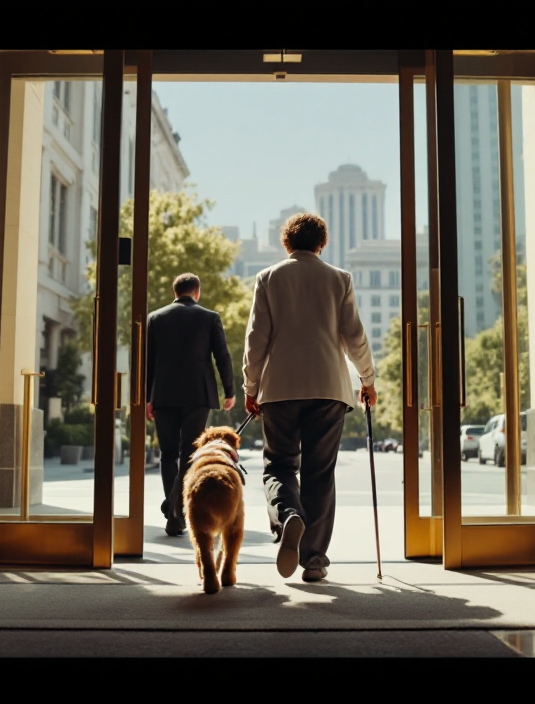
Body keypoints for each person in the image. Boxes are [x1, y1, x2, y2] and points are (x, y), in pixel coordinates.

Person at [243, 213, 376, 583]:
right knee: (320, 474)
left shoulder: (268, 278)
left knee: (280, 467)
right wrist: (367, 380)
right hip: (329, 388)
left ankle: (288, 515)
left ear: (287, 243)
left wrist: (250, 388)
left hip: (280, 389)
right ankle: (314, 561)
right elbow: (355, 336)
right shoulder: (340, 279)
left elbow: (257, 340)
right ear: (322, 242)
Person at [145, 273, 235, 537]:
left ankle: (173, 511)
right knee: (190, 452)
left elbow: (147, 361)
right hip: (198, 394)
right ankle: (176, 507)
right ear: (197, 292)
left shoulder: (156, 318)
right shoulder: (209, 317)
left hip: (163, 395)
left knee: (168, 453)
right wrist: (229, 390)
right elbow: (222, 357)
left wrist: (147, 397)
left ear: (176, 292)